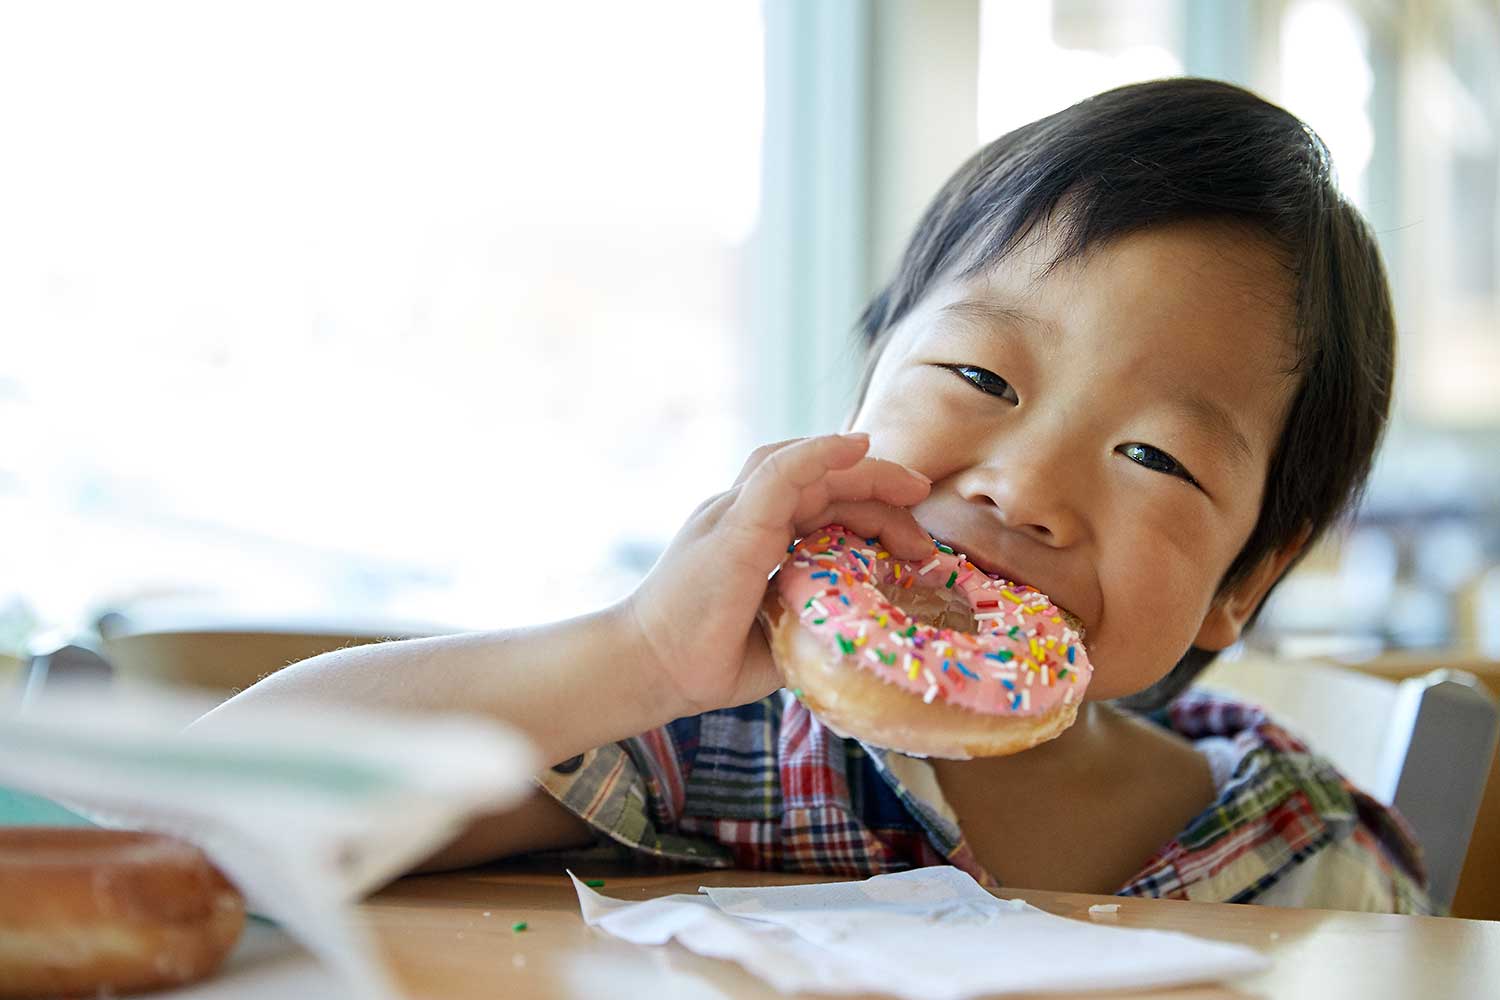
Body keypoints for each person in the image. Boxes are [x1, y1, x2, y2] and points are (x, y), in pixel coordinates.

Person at [196, 78, 1430, 913]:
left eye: (1156, 455)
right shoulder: (711, 742)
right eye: (980, 374)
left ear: (1246, 580)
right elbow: (213, 813)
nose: (1021, 484)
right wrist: (630, 656)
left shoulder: (1305, 859)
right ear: (861, 397)